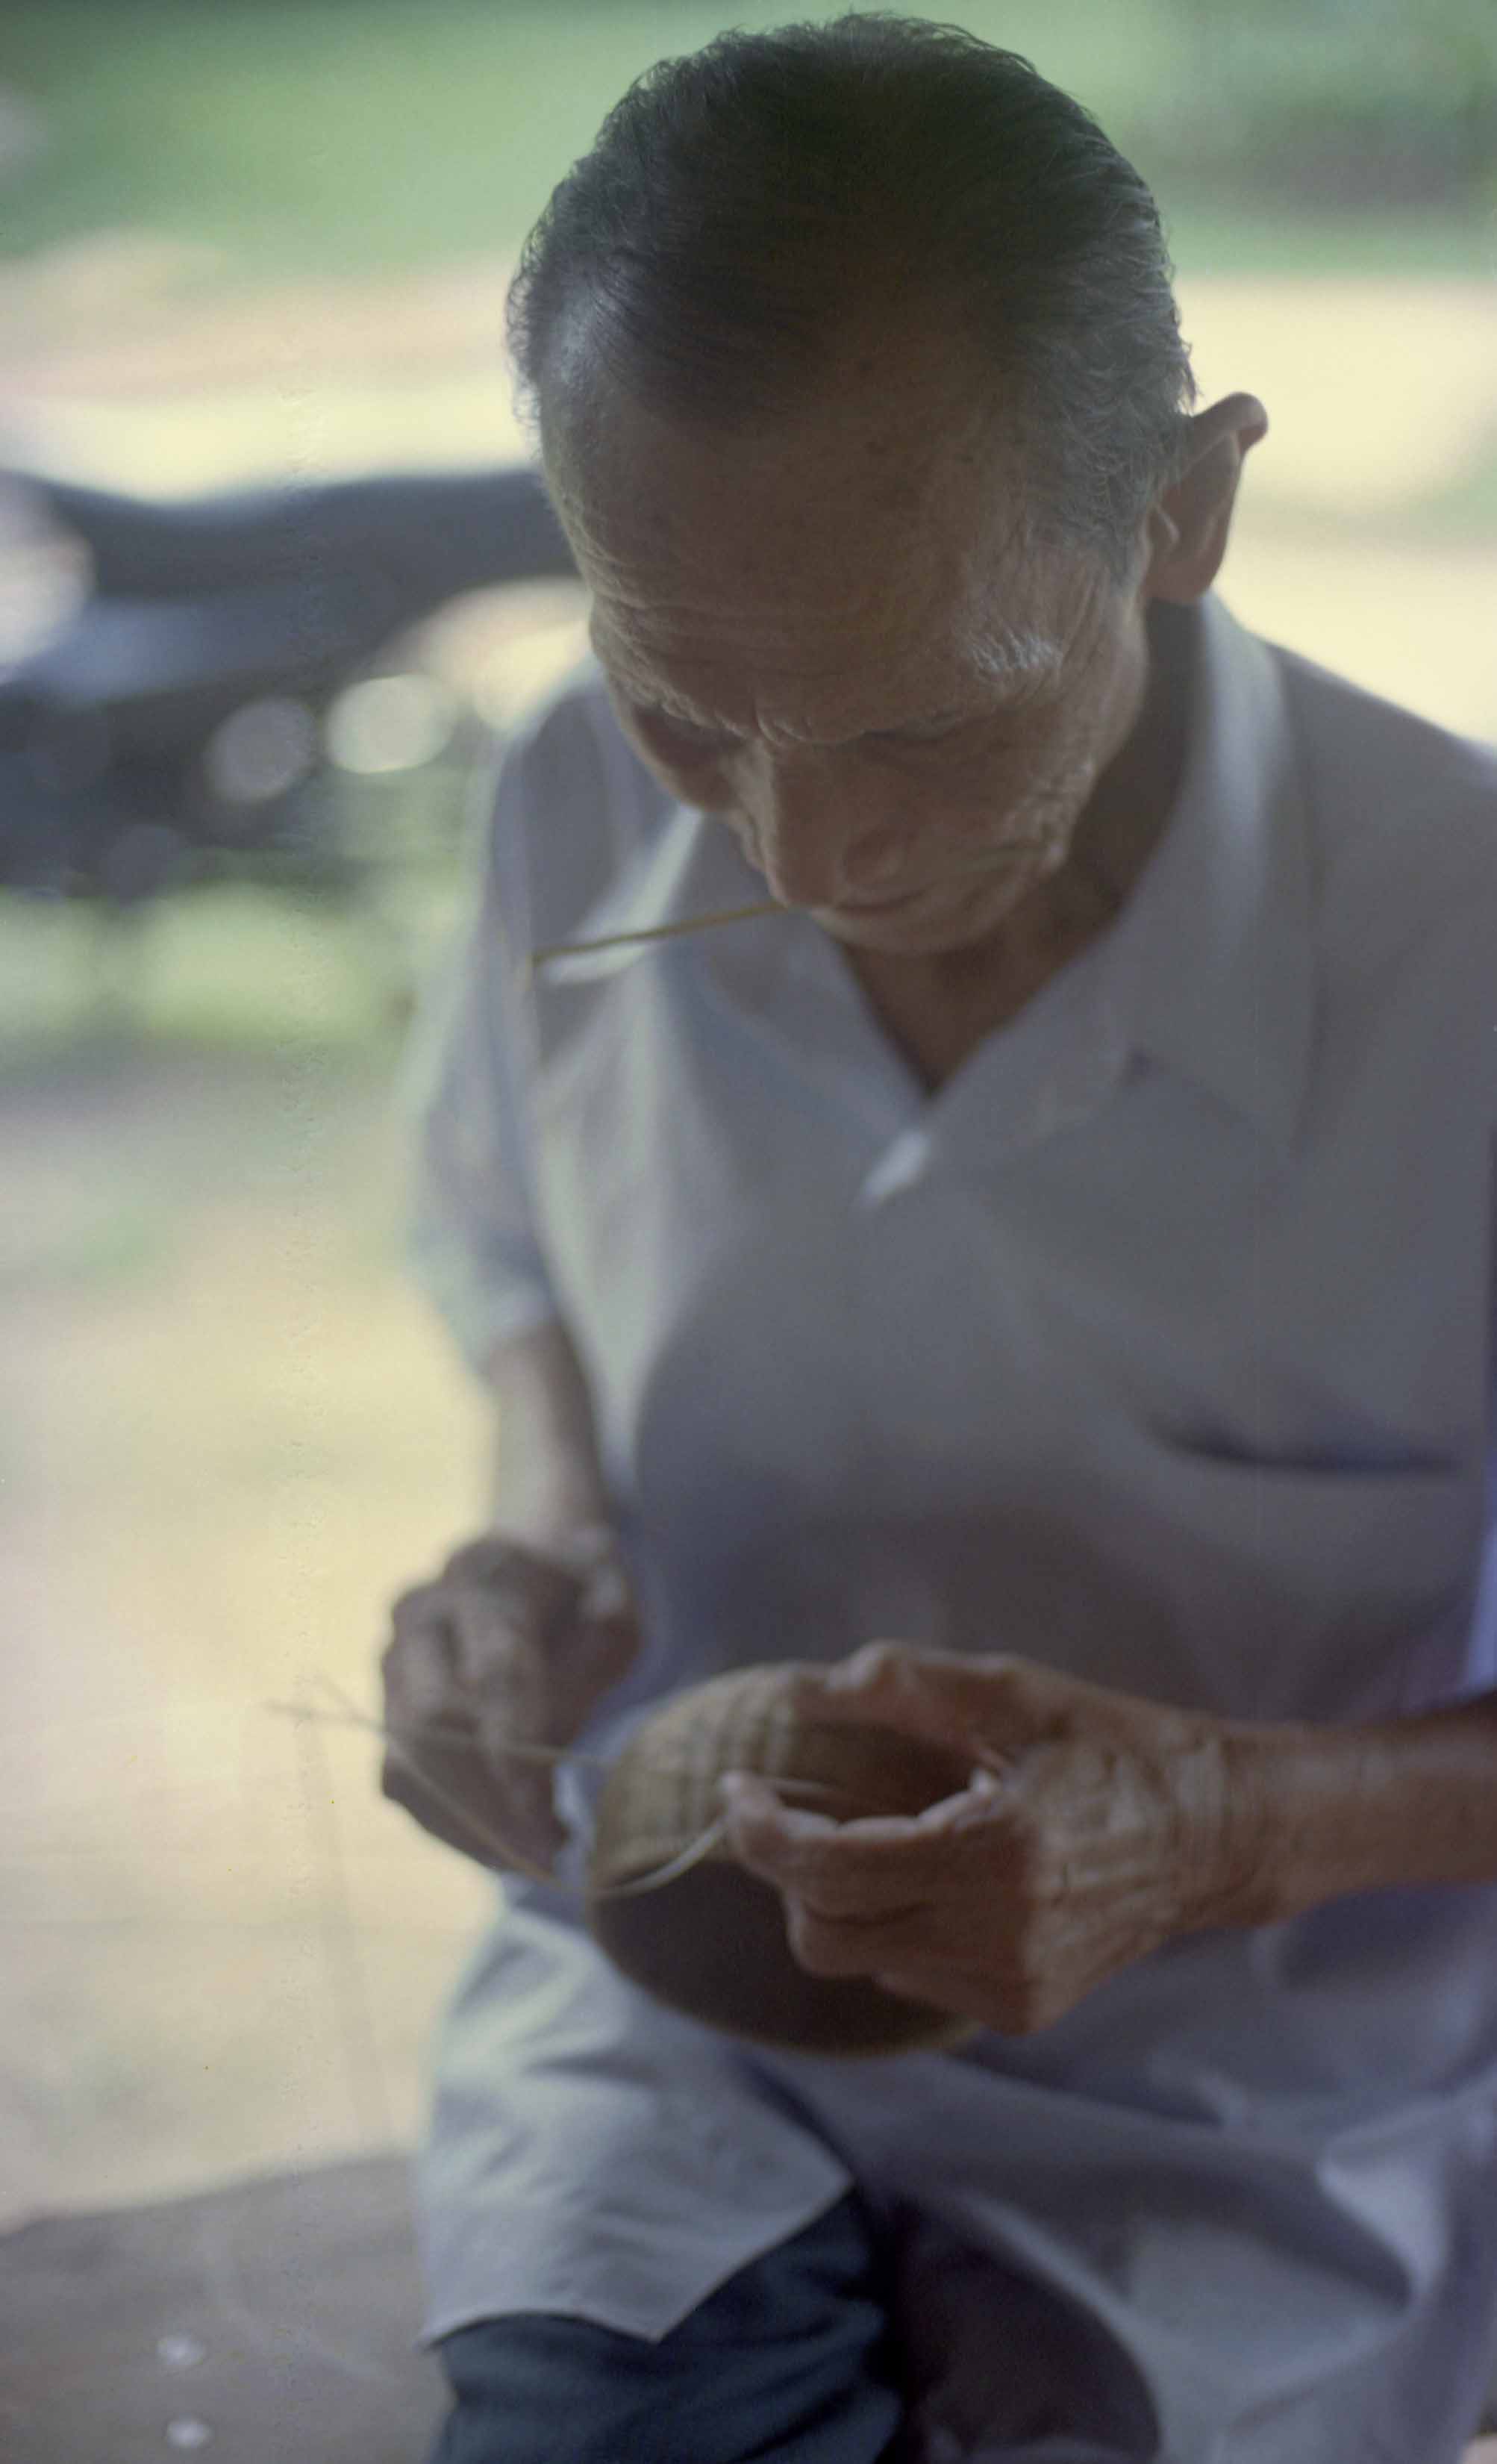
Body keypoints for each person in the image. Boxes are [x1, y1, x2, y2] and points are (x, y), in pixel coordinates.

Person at [379, 17, 1497, 2461]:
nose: (796, 859)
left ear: (1183, 519)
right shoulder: (577, 793)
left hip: (1241, 2112)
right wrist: (539, 1525)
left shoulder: (1471, 957)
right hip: (669, 2030)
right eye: (693, 710)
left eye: (924, 729)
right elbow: (513, 1239)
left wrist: (1231, 1826)